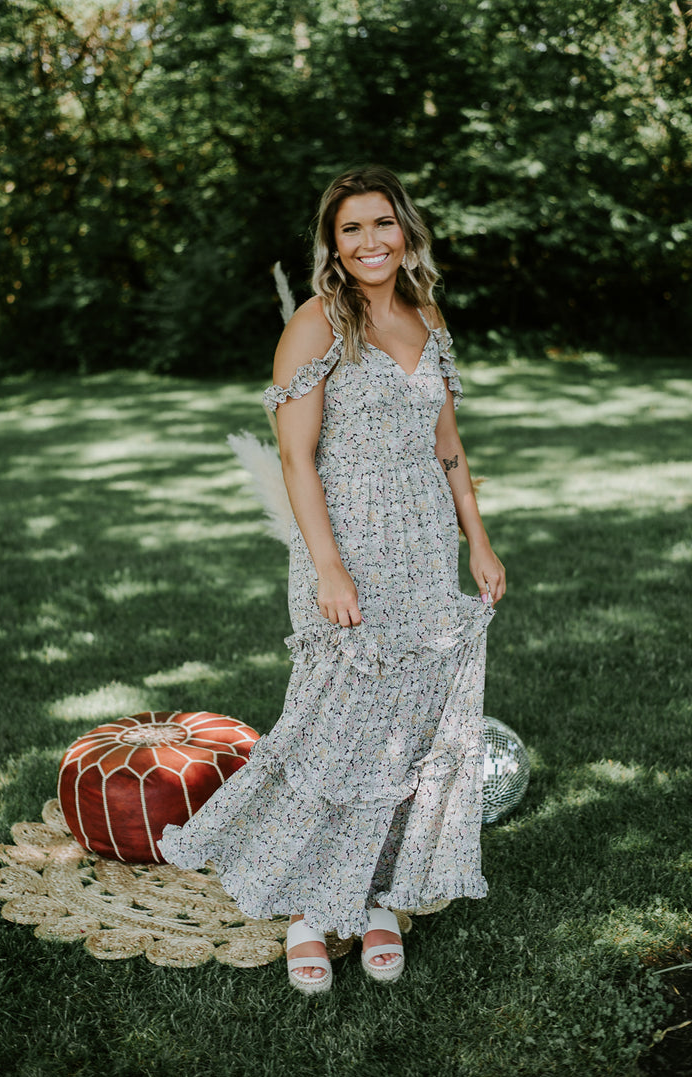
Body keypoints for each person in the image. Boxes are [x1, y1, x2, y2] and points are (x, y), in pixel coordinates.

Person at [159, 165, 506, 995]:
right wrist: (329, 567)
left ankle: (377, 893)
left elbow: (448, 446)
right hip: (347, 547)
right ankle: (306, 908)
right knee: (333, 728)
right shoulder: (316, 323)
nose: (370, 241)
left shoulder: (426, 316)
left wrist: (480, 542)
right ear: (333, 243)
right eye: (352, 228)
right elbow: (296, 457)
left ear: (406, 231)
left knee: (408, 728)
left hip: (426, 548)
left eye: (382, 223)